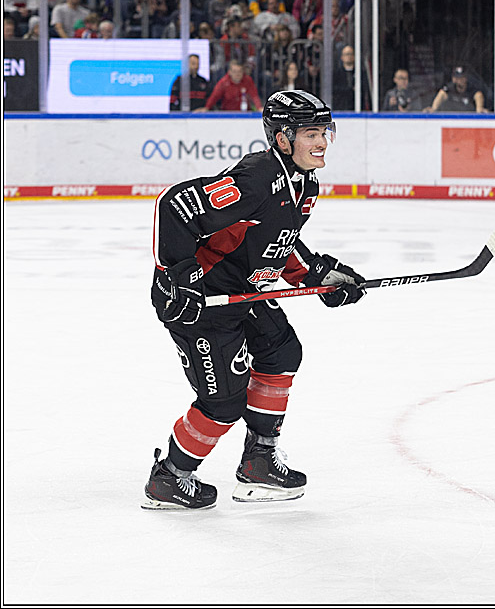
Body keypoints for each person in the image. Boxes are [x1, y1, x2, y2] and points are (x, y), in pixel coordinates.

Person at [143, 106, 365, 509]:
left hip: (244, 290)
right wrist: (175, 278)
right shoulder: (258, 178)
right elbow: (175, 205)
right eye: (311, 133)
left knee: (281, 352)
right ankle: (170, 477)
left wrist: (317, 276)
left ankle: (259, 460)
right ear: (283, 139)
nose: (321, 142)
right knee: (223, 402)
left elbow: (276, 241)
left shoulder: (305, 184)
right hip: (203, 301)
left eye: (324, 132)